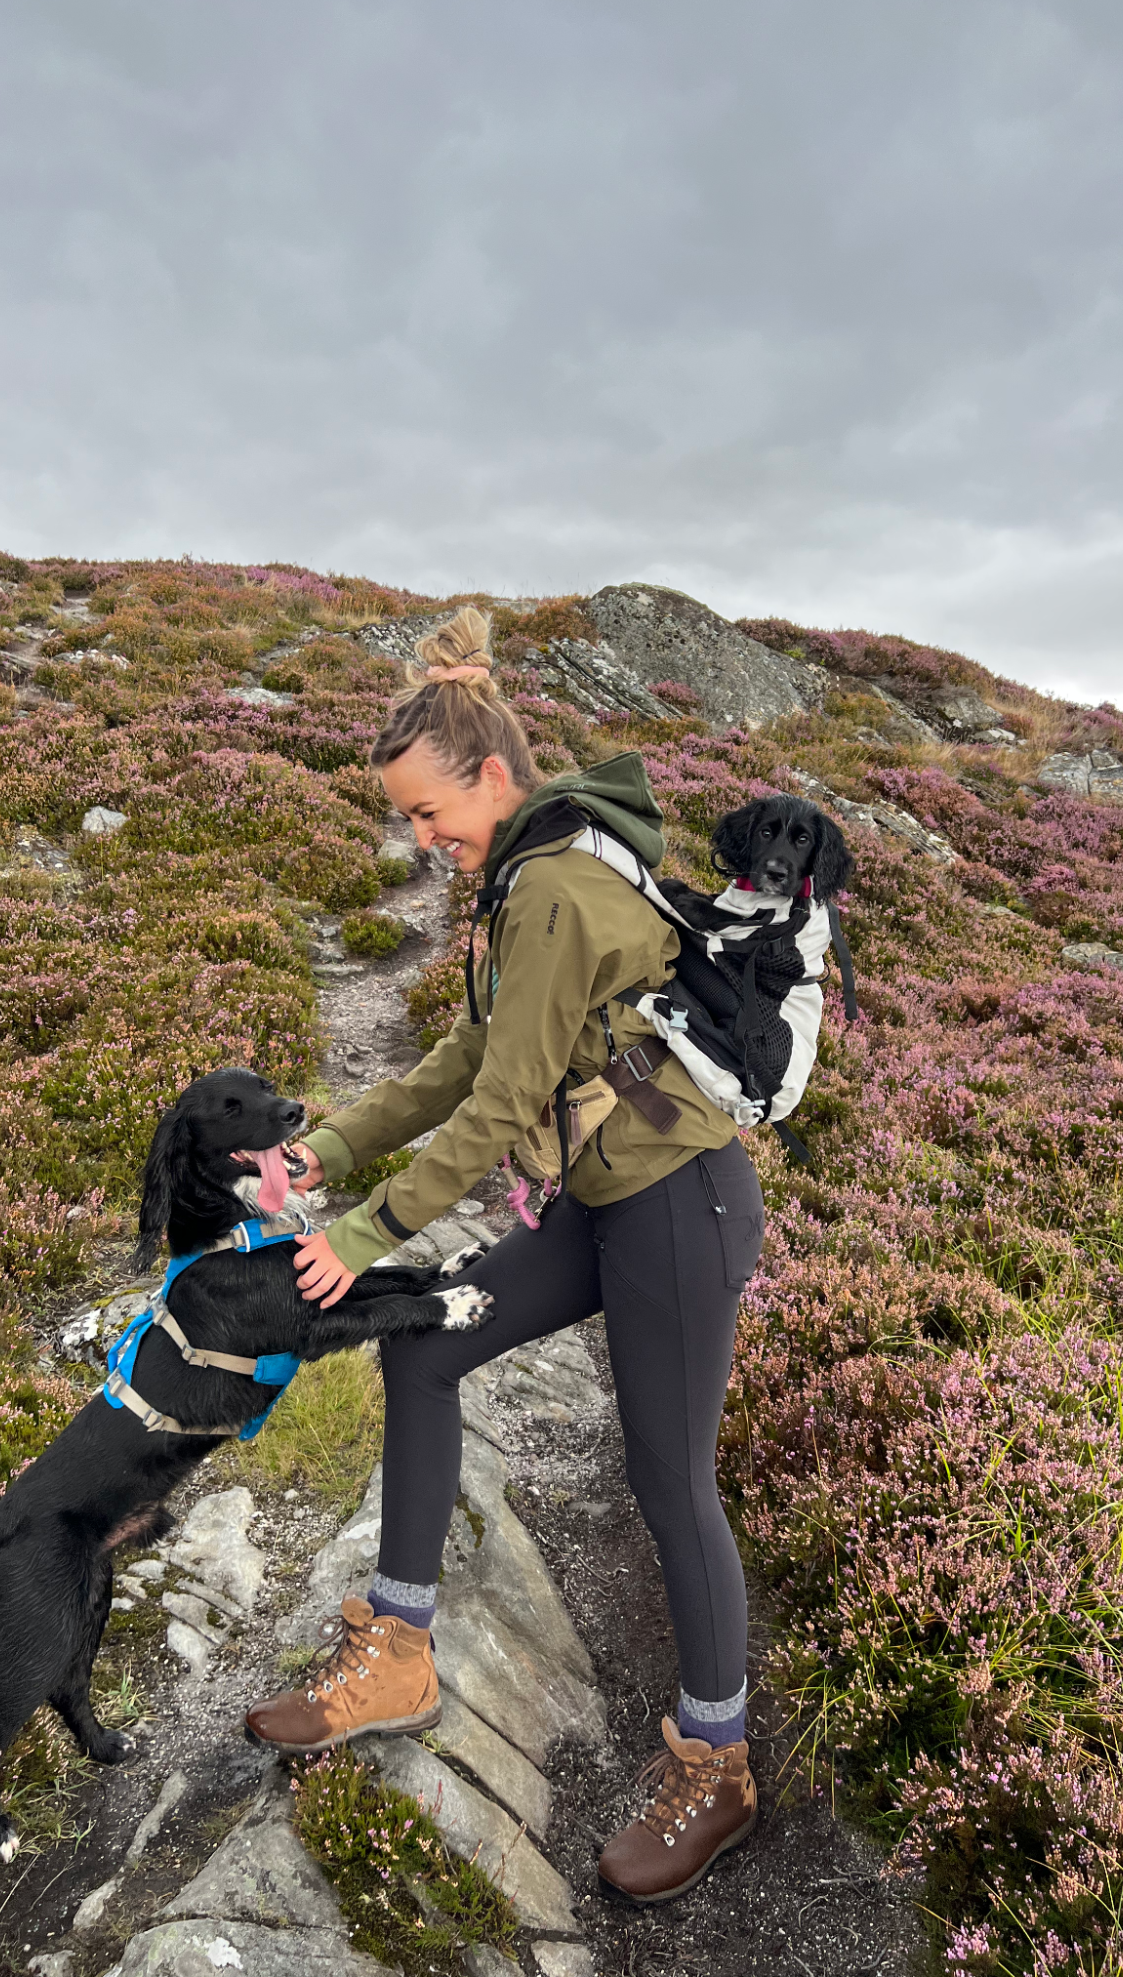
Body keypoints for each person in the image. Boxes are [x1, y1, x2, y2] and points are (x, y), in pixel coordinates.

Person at [245, 608, 765, 1905]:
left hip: (681, 1207)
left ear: (492, 774)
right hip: (609, 1199)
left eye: (430, 813)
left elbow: (495, 1108)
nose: (422, 842)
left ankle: (718, 1758)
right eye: (407, 823)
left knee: (666, 1478)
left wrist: (361, 1236)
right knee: (425, 1345)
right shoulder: (522, 874)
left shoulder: (556, 888)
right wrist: (336, 1148)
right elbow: (471, 1058)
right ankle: (399, 1648)